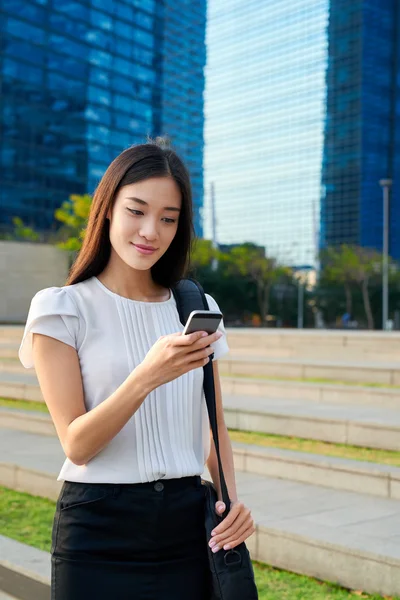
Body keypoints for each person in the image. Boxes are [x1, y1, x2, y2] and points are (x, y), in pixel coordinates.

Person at [18, 138, 255, 600]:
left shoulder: (197, 306)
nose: (151, 230)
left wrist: (230, 500)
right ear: (107, 208)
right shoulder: (60, 310)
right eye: (136, 210)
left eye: (168, 218)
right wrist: (147, 375)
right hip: (97, 530)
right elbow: (78, 443)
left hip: (188, 526)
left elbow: (214, 426)